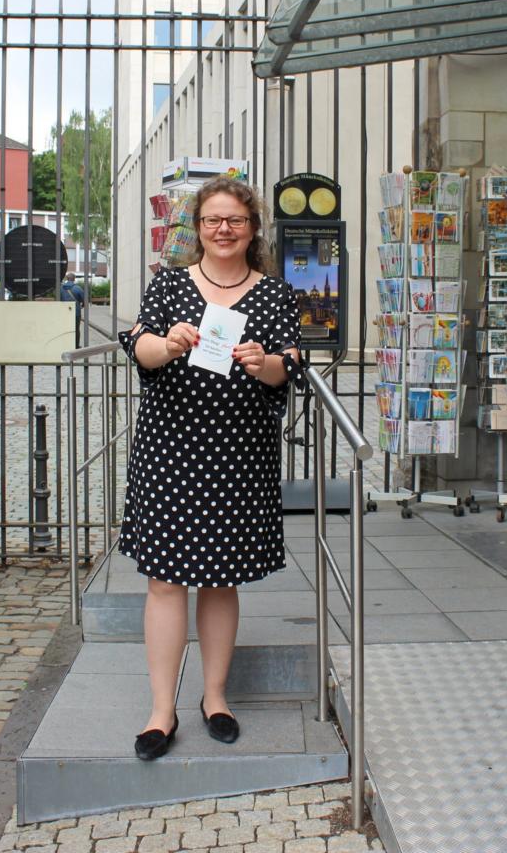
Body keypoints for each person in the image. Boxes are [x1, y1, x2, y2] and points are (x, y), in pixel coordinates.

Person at [118, 178, 302, 761]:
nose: (224, 230)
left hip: (239, 456)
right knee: (165, 581)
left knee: (222, 580)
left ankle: (215, 698)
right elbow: (139, 348)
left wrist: (263, 361)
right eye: (213, 220)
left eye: (236, 220)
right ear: (197, 228)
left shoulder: (274, 294)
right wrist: (168, 345)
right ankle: (160, 709)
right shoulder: (170, 285)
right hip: (171, 451)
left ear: (253, 228)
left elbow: (288, 369)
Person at [59, 272, 85, 344]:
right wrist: (81, 306)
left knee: (65, 329)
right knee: (76, 329)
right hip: (76, 313)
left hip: (64, 312)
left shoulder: (61, 288)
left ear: (67, 278)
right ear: (74, 279)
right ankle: (76, 346)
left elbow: (59, 300)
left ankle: (66, 344)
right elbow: (84, 300)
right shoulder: (78, 288)